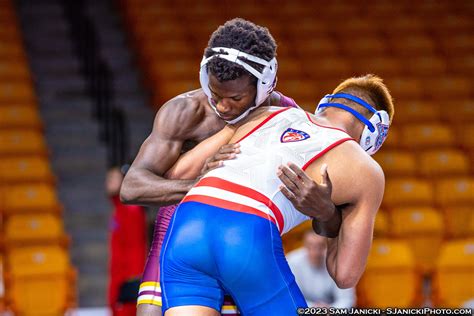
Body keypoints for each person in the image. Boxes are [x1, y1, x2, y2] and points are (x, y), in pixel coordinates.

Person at [120, 18, 337, 316]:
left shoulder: (288, 118)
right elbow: (132, 186)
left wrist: (324, 207)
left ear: (263, 86)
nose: (222, 107)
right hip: (180, 240)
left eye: (235, 98)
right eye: (215, 94)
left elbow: (323, 212)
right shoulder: (187, 111)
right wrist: (202, 185)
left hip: (244, 244)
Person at [160, 74, 394, 315]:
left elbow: (177, 174)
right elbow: (345, 275)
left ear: (326, 103)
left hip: (187, 223)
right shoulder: (365, 168)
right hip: (246, 231)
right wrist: (332, 215)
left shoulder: (266, 113)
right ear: (376, 132)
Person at [106, 166, 147, 315]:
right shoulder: (119, 208)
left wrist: (132, 281)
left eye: (112, 179)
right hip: (118, 276)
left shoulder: (131, 210)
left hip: (126, 279)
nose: (107, 183)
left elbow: (136, 247)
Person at [287, 230, 356, 308]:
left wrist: (330, 310)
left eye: (320, 246)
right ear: (304, 246)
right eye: (310, 246)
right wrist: (313, 308)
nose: (315, 252)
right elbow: (290, 297)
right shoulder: (292, 262)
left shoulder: (338, 263)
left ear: (326, 246)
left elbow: (347, 299)